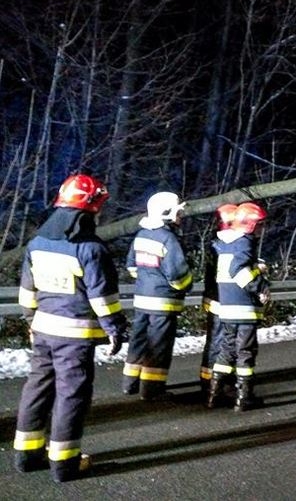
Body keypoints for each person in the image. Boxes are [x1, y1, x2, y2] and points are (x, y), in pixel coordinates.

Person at [13, 174, 127, 483]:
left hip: (43, 329)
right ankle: (64, 462)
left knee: (37, 388)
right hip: (74, 336)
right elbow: (102, 297)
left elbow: (27, 291)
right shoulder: (90, 249)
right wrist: (115, 328)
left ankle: (26, 455)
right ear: (89, 209)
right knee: (71, 394)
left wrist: (30, 320)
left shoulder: (37, 243)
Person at [122, 191, 193, 400]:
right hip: (164, 302)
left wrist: (148, 282)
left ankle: (130, 383)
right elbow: (178, 274)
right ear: (167, 214)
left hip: (142, 298)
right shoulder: (168, 239)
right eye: (177, 212)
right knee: (159, 345)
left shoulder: (141, 235)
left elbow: (131, 266)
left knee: (139, 340)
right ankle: (152, 389)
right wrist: (184, 287)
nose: (181, 216)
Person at [208, 201, 269, 412]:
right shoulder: (244, 242)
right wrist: (259, 282)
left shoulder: (224, 243)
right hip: (244, 307)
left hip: (227, 307)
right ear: (250, 225)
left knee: (226, 349)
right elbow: (238, 270)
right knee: (245, 352)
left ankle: (213, 396)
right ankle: (244, 398)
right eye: (259, 224)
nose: (262, 229)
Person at [199, 203, 238, 396]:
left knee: (218, 341)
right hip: (222, 300)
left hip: (215, 298)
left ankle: (213, 380)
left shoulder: (216, 243)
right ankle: (214, 383)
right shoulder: (225, 246)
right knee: (220, 342)